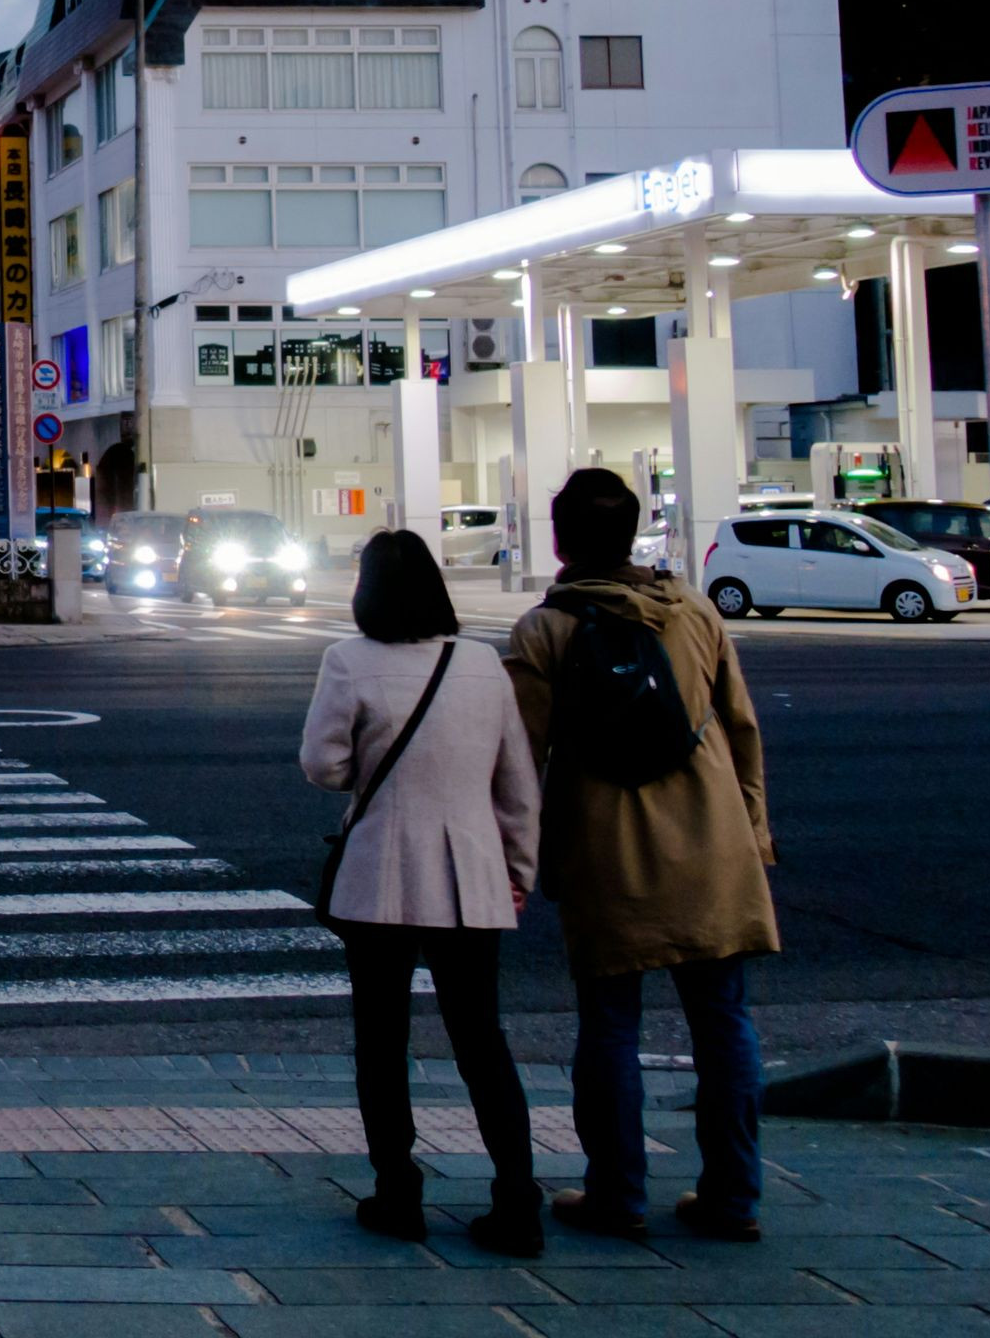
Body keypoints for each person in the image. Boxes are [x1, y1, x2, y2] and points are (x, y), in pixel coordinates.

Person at [503, 467, 778, 1243]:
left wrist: (516, 859)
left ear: (560, 541)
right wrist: (755, 833)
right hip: (713, 839)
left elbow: (519, 759)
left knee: (610, 1023)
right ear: (633, 535)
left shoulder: (545, 630)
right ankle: (734, 1198)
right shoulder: (692, 610)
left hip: (608, 847)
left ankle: (617, 1194)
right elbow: (741, 726)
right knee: (723, 1021)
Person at [301, 527, 544, 1255]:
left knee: (381, 1040)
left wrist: (369, 774)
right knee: (481, 1040)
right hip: (470, 875)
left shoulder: (348, 661)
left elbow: (322, 764)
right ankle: (517, 1199)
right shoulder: (481, 664)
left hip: (380, 872)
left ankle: (398, 1190)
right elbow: (517, 783)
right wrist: (519, 873)